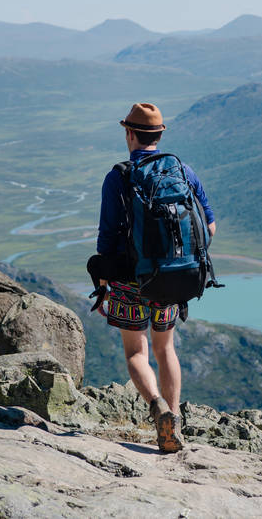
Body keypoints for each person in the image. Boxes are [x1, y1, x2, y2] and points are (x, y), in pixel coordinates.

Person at [88, 102, 216, 454]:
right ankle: (175, 419)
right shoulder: (182, 170)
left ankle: (158, 407)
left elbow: (107, 237)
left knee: (136, 353)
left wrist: (103, 285)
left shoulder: (119, 176)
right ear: (159, 135)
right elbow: (209, 226)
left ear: (129, 133)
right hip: (172, 280)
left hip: (131, 282)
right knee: (166, 348)